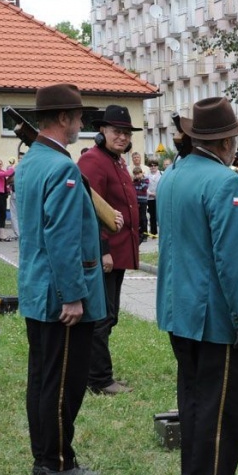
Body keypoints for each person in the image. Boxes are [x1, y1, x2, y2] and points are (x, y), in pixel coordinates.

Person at [156, 97, 238, 475]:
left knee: (195, 402)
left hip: (180, 308)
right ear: (223, 144)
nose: (236, 146)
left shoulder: (175, 173)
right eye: (234, 138)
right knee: (222, 409)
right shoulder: (224, 182)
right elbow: (232, 261)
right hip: (215, 315)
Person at [16, 83, 107, 475]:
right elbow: (63, 237)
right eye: (79, 117)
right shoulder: (62, 168)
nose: (81, 123)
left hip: (37, 288)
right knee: (64, 383)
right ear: (64, 118)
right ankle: (55, 461)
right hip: (60, 295)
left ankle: (46, 455)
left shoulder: (31, 160)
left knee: (42, 377)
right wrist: (73, 296)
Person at [77, 105, 142, 396]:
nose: (123, 137)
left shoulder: (116, 161)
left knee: (109, 315)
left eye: (127, 133)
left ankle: (95, 374)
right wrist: (103, 249)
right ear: (102, 130)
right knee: (101, 317)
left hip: (118, 252)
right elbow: (90, 209)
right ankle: (100, 379)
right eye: (117, 131)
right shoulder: (93, 160)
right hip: (105, 252)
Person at [132, 166, 149, 243]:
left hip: (143, 201)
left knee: (143, 217)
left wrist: (140, 180)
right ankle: (139, 233)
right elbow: (133, 190)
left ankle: (145, 233)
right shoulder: (134, 182)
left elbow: (144, 188)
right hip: (136, 201)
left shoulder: (145, 180)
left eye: (138, 174)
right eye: (135, 174)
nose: (137, 175)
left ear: (142, 173)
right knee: (137, 217)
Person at [145, 159, 161, 238]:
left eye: (154, 165)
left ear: (157, 166)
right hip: (150, 198)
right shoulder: (146, 176)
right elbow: (145, 186)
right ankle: (153, 233)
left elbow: (163, 185)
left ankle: (162, 232)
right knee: (152, 216)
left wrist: (157, 193)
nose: (153, 167)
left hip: (160, 197)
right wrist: (150, 193)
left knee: (160, 215)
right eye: (151, 166)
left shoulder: (162, 174)